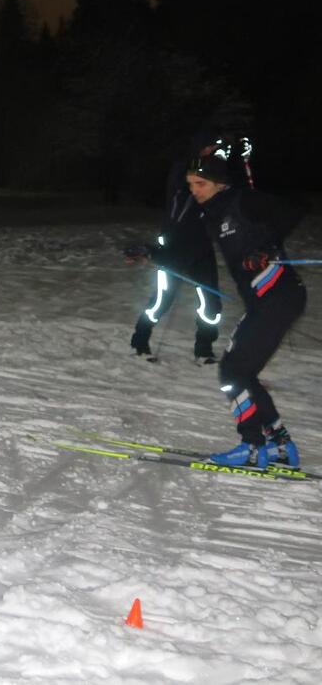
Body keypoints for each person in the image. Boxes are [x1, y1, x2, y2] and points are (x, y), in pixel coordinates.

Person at [186, 154, 306, 469]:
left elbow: (292, 210)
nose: (194, 190)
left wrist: (265, 250)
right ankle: (280, 446)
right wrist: (153, 252)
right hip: (265, 301)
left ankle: (253, 447)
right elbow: (189, 248)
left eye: (200, 184)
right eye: (190, 184)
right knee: (241, 371)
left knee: (232, 370)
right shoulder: (212, 214)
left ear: (218, 183)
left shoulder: (242, 201)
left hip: (278, 295)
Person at [128, 134, 226, 362]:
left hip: (201, 248)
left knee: (211, 303)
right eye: (208, 146)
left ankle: (204, 350)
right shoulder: (182, 172)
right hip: (173, 245)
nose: (211, 151)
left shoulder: (215, 175)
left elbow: (229, 187)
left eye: (215, 147)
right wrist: (200, 157)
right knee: (162, 299)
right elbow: (187, 175)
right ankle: (140, 343)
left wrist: (242, 158)